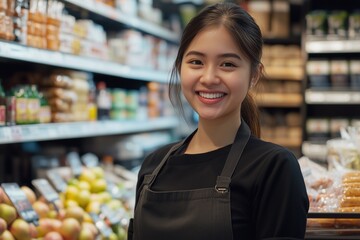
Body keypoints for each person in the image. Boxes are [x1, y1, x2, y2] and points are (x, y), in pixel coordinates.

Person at [128, 2, 309, 240]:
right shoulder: (153, 166)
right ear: (180, 67)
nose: (209, 77)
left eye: (228, 64)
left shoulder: (274, 168)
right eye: (196, 62)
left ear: (254, 75)